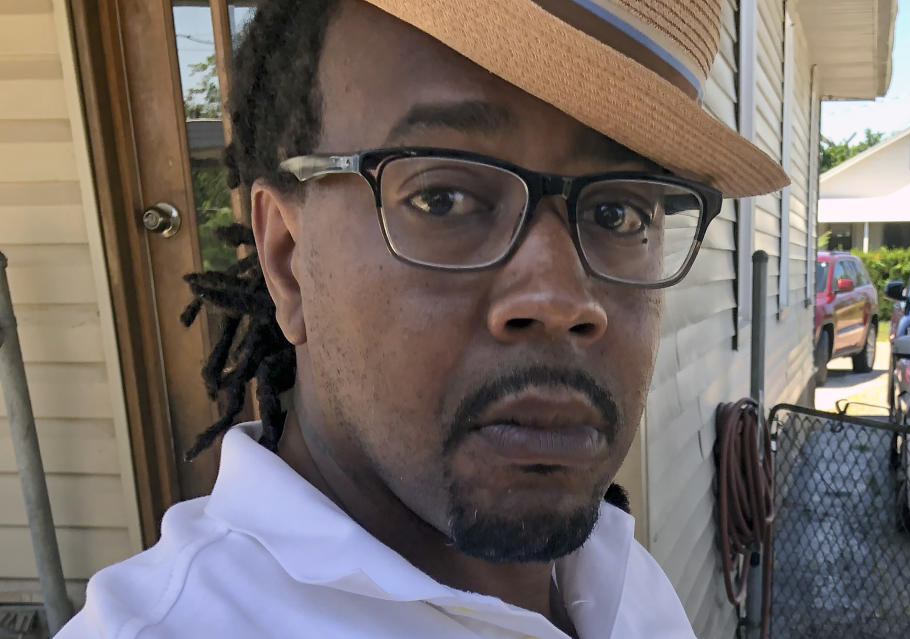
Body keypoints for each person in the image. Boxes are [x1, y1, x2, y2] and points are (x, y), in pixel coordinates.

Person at [57, 1, 786, 637]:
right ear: (286, 257)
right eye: (443, 198)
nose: (565, 301)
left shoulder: (624, 578)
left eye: (616, 211)